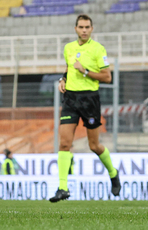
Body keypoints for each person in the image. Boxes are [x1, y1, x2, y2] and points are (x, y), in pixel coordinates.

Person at [50, 14, 120, 203]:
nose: (84, 30)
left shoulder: (98, 49)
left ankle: (113, 173)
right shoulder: (69, 48)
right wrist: (63, 79)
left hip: (90, 100)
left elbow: (107, 77)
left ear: (92, 29)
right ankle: (62, 187)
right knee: (64, 143)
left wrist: (86, 72)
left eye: (87, 27)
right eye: (81, 27)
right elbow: (68, 68)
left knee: (94, 145)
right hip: (71, 99)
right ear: (75, 29)